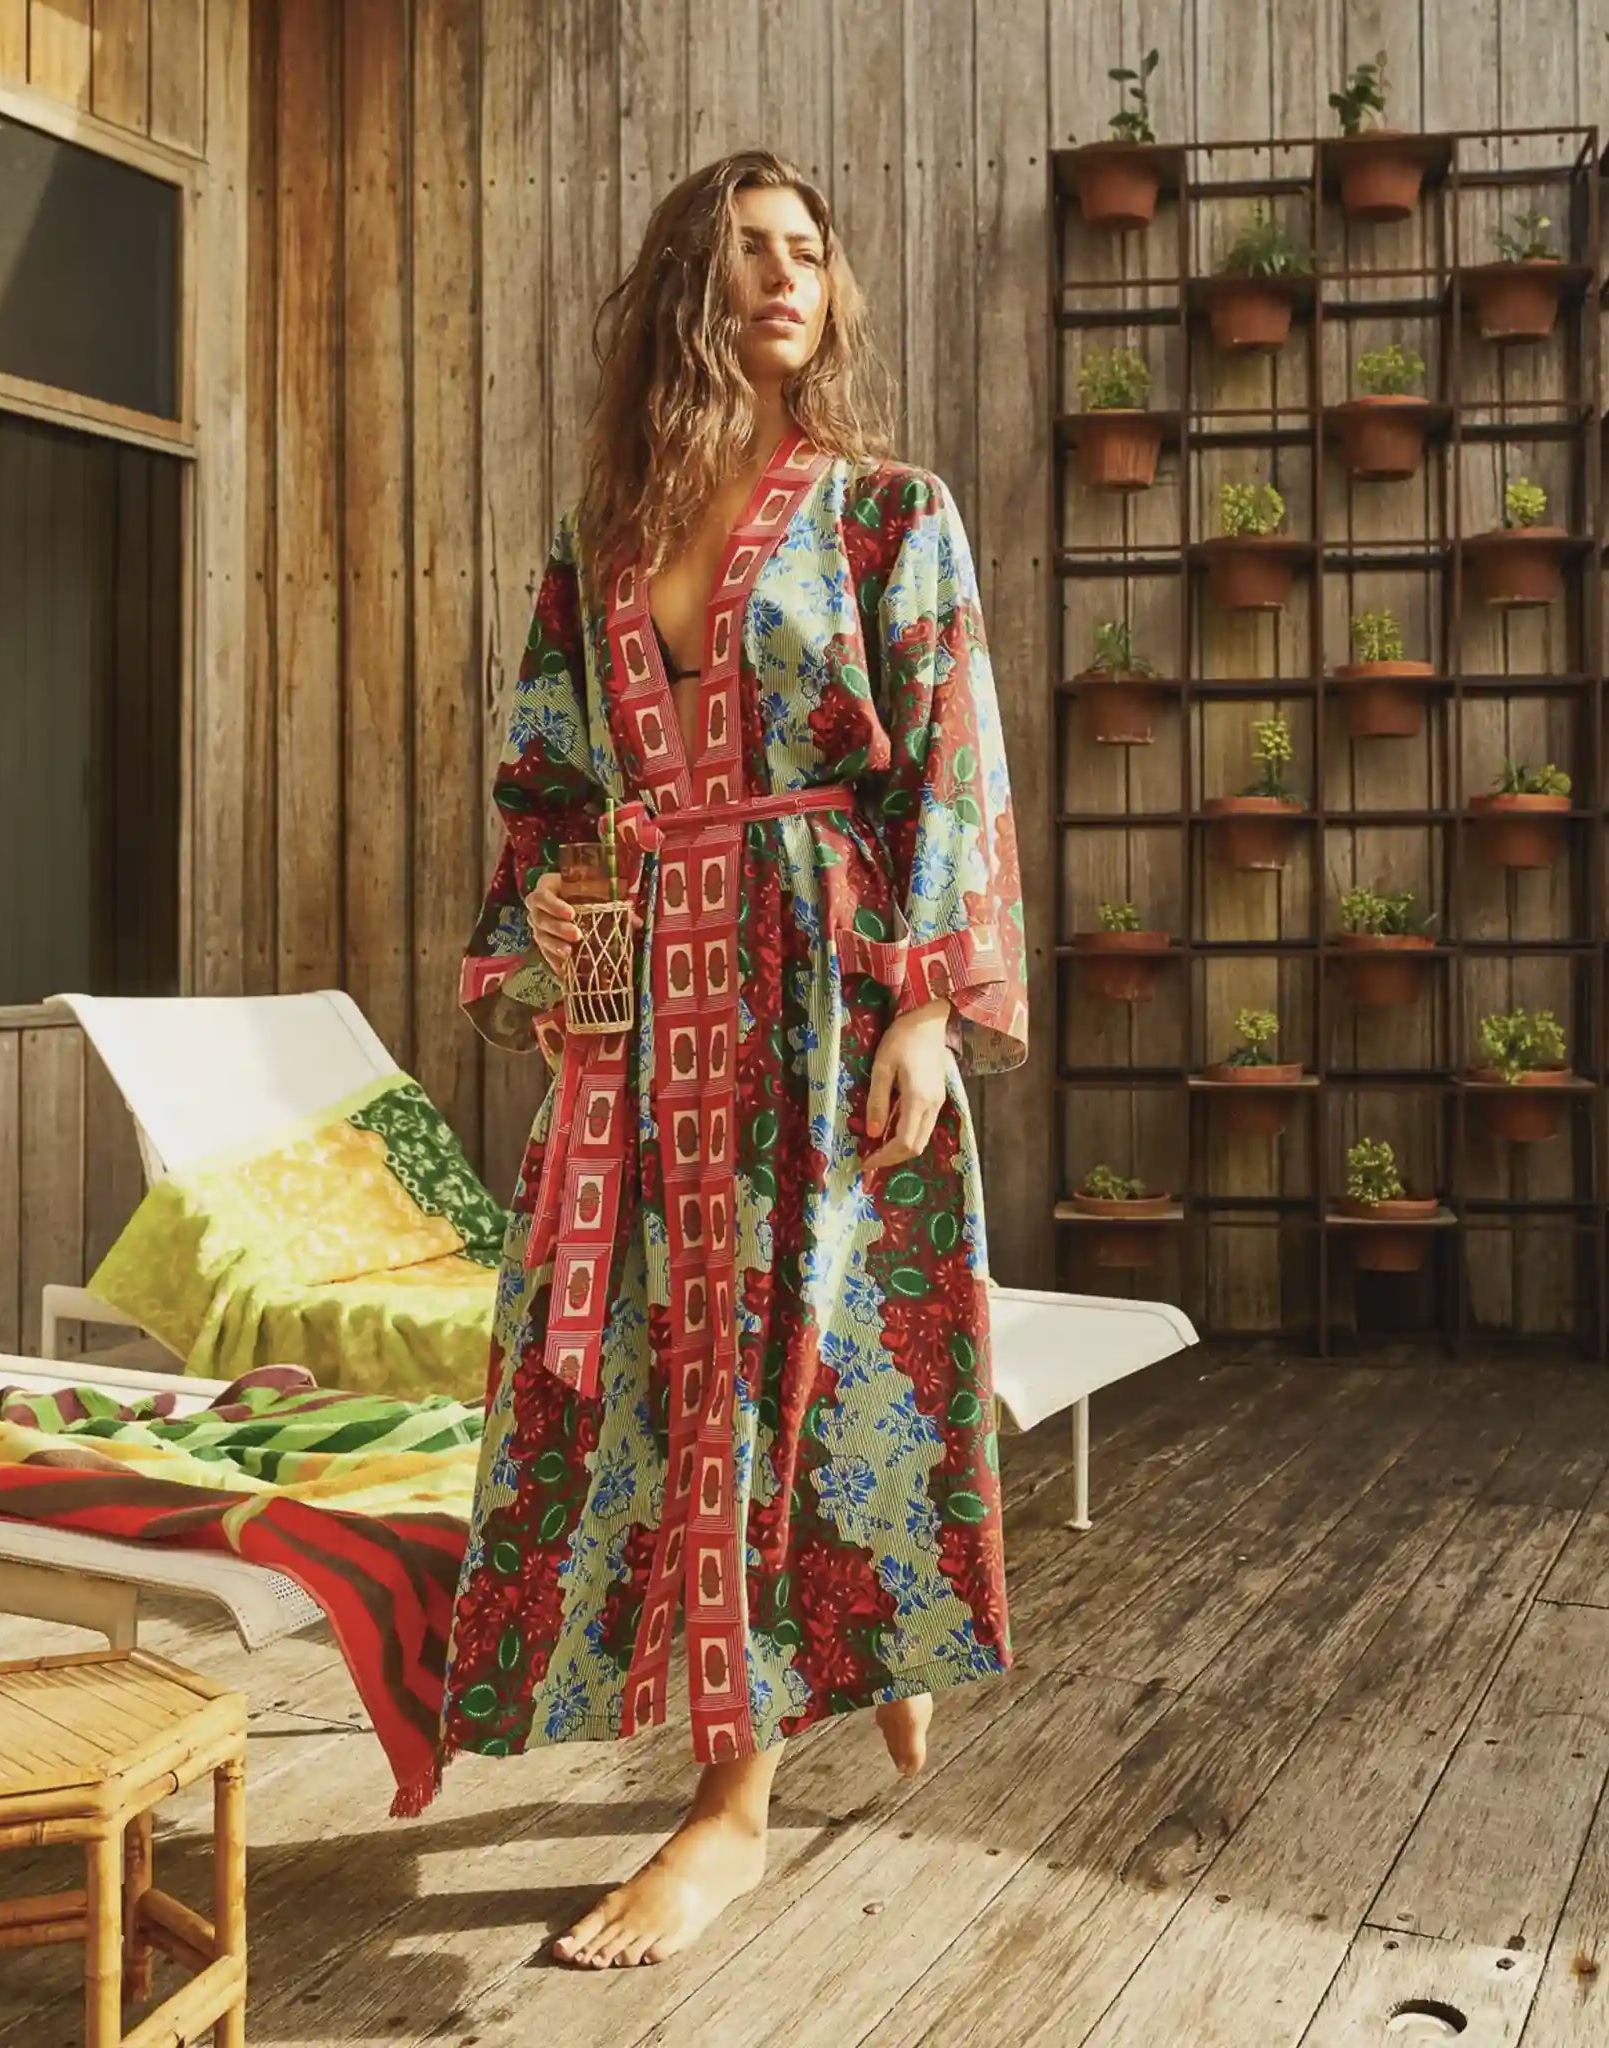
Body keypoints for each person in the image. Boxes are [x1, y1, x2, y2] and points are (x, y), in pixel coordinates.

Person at [433, 148, 1028, 1973]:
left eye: (809, 252)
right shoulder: (602, 544)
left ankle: (732, 1809)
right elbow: (548, 778)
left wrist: (925, 1007)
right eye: (751, 250)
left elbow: (948, 758)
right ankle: (849, 1656)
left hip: (820, 990)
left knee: (794, 1344)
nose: (787, 275)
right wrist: (555, 920)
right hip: (650, 1008)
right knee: (668, 1361)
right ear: (692, 285)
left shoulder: (887, 513)